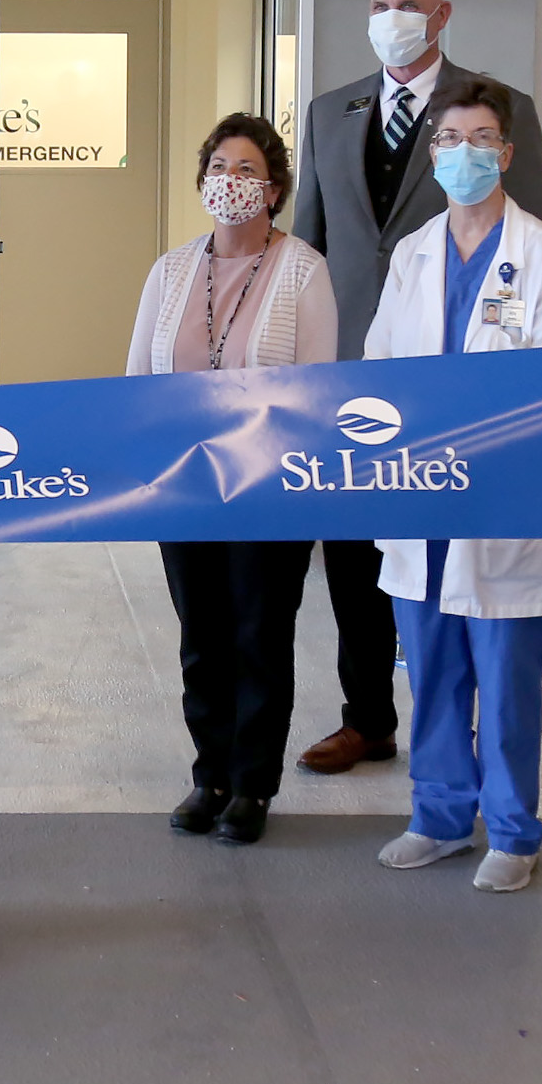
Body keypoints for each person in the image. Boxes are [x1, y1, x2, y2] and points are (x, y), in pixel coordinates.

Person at [291, 0, 542, 778]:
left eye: (408, 4)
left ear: (441, 16)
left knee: (458, 561)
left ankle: (464, 725)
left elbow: (530, 226)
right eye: (379, 5)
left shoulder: (495, 107)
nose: (391, 17)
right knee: (356, 554)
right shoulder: (332, 110)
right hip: (352, 372)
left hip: (456, 380)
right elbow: (311, 243)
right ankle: (365, 717)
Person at [356, 74, 542, 892]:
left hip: (504, 501)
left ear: (506, 153)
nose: (463, 154)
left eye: (479, 139)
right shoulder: (413, 254)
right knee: (432, 670)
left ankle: (514, 832)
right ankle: (439, 815)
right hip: (421, 495)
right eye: (448, 141)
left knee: (506, 679)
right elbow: (379, 368)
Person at [123, 114, 338, 844]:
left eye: (247, 169)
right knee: (201, 637)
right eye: (219, 166)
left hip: (265, 486)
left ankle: (252, 784)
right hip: (184, 485)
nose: (231, 181)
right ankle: (206, 774)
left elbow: (317, 390)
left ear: (273, 188)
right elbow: (135, 383)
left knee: (258, 633)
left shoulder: (302, 269)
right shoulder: (170, 269)